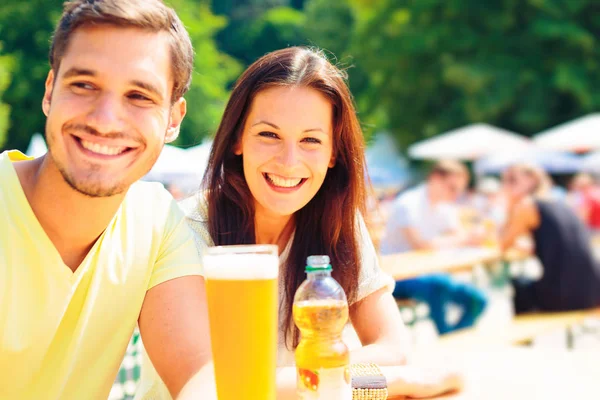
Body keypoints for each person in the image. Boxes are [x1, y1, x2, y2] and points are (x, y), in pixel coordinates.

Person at [138, 47, 462, 400]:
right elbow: (214, 390)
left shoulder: (338, 222)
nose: (288, 162)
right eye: (269, 135)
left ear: (334, 152)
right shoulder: (182, 232)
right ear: (236, 139)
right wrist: (390, 383)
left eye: (310, 140)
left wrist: (371, 379)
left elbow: (393, 350)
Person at [0, 1, 215, 399]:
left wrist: (365, 383)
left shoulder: (155, 221)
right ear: (50, 91)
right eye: (84, 85)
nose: (105, 119)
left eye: (139, 95)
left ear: (173, 119)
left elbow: (198, 373)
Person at [380, 161, 488, 335]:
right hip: (398, 277)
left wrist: (457, 239)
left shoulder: (444, 207)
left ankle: (450, 339)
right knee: (439, 286)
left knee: (479, 301)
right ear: (435, 179)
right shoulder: (408, 203)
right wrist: (458, 240)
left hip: (428, 274)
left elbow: (462, 237)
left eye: (459, 190)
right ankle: (446, 337)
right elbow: (422, 245)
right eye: (452, 188)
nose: (455, 194)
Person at [500, 163, 600, 313]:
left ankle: (524, 336)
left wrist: (510, 204)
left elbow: (502, 243)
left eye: (512, 180)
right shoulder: (560, 202)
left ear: (532, 181)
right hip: (593, 289)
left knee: (519, 288)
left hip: (569, 295)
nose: (506, 186)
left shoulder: (527, 205)